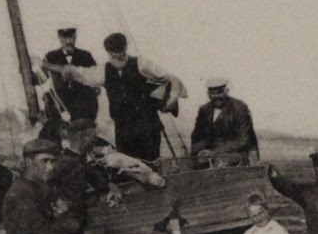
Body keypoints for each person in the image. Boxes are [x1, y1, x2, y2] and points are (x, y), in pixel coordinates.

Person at [46, 33, 186, 163]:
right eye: (114, 52)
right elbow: (74, 73)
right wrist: (46, 65)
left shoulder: (142, 64)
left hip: (147, 126)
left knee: (151, 162)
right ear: (108, 52)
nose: (118, 55)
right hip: (123, 129)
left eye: (121, 51)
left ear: (125, 47)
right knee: (130, 165)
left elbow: (173, 79)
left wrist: (172, 98)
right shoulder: (102, 71)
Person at [38, 26, 100, 137]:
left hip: (84, 108)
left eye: (71, 38)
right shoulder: (50, 57)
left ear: (75, 37)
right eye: (65, 38)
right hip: (60, 108)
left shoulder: (86, 56)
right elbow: (40, 79)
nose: (69, 41)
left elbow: (95, 77)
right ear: (59, 38)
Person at [190, 79, 259, 167]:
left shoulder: (240, 108)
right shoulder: (204, 109)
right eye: (213, 93)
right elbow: (197, 136)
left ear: (226, 91)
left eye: (219, 92)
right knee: (187, 165)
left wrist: (215, 152)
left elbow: (243, 140)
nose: (216, 96)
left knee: (219, 165)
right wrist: (200, 151)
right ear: (208, 94)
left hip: (236, 154)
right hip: (210, 154)